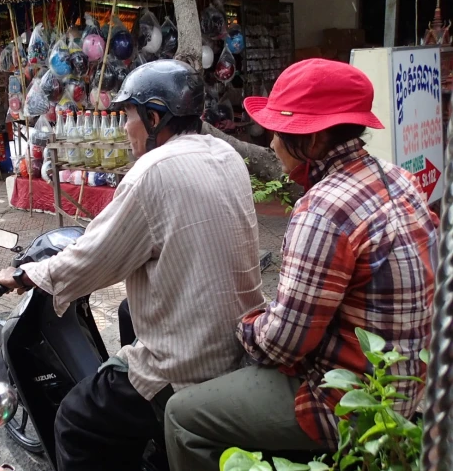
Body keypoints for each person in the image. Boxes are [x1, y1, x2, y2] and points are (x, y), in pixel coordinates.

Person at [164, 58, 439, 470]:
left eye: (280, 132)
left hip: (354, 403)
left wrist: (245, 325)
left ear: (314, 142)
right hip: (413, 382)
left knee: (182, 416)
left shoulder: (324, 208)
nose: (271, 142)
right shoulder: (399, 178)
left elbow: (284, 342)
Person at [0, 59, 265, 471]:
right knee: (126, 311)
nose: (124, 128)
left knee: (75, 420)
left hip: (187, 361)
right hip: (236, 340)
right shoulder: (224, 154)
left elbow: (93, 258)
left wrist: (25, 274)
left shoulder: (151, 172)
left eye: (129, 116)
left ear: (155, 117)